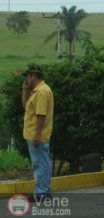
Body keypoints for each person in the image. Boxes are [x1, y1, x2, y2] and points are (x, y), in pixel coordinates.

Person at [21, 64, 54, 201]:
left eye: (27, 76)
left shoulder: (41, 92)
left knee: (40, 164)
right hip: (34, 134)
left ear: (34, 76)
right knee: (43, 162)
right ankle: (44, 191)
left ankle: (41, 193)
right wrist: (24, 90)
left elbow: (41, 114)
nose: (26, 79)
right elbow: (26, 106)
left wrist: (37, 134)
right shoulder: (37, 91)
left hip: (37, 135)